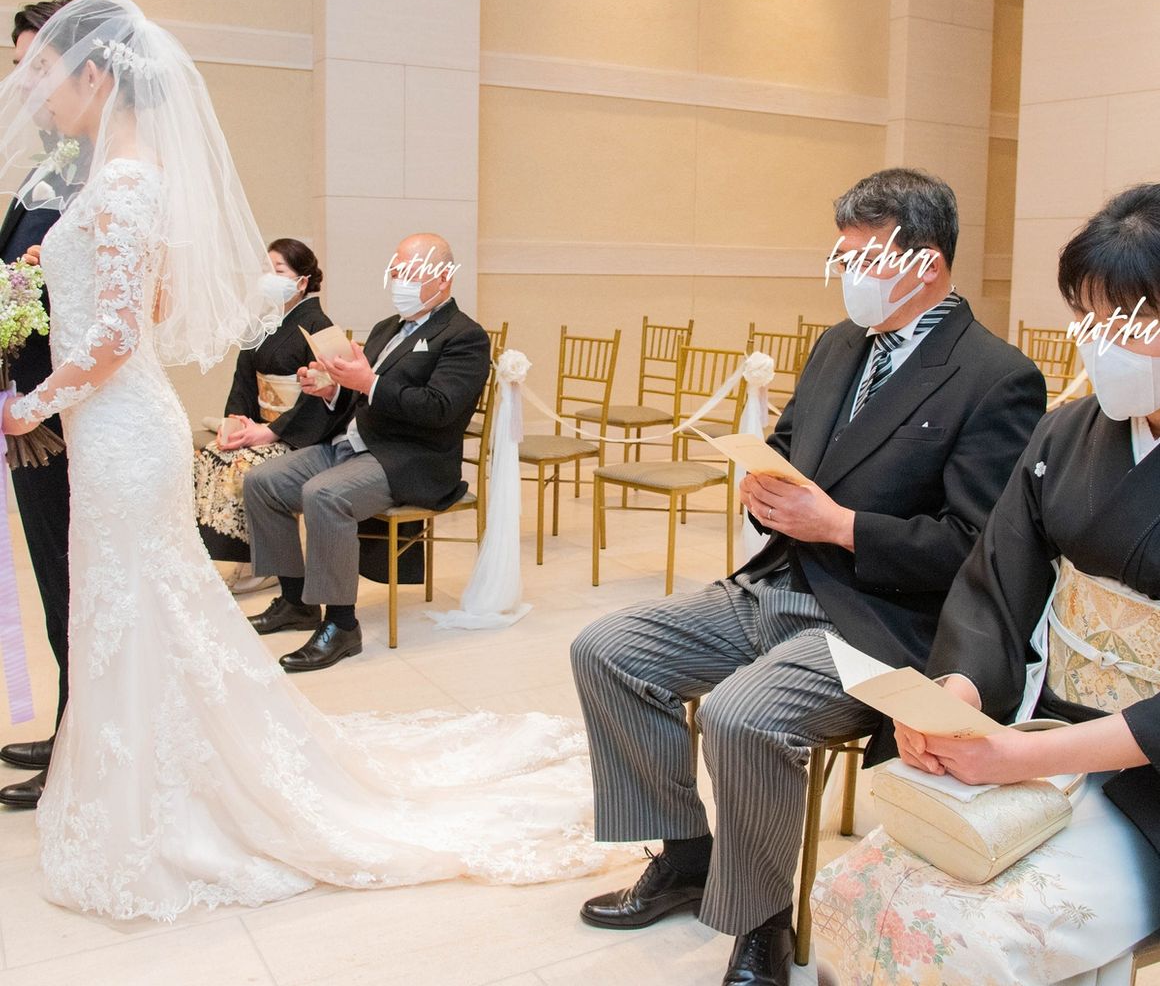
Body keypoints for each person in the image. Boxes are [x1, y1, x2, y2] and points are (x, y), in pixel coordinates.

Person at [0, 0, 605, 921]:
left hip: (116, 427)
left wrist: (29, 404)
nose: (34, 93)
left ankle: (170, 787)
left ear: (93, 75)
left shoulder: (120, 182)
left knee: (136, 602)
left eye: (44, 74)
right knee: (135, 605)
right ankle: (142, 776)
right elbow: (155, 307)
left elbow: (121, 332)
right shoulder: (131, 176)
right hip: (118, 423)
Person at [570, 168, 1046, 986]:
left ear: (927, 264)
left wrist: (842, 526)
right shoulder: (838, 344)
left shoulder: (995, 376)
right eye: (842, 256)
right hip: (777, 582)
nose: (847, 273)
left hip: (877, 620)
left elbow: (977, 547)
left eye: (863, 257)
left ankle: (761, 919)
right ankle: (686, 857)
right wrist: (766, 485)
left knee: (741, 715)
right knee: (607, 647)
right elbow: (793, 448)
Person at [811, 185, 1160, 986]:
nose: (1102, 345)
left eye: (1130, 323)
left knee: (971, 938)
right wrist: (959, 697)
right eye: (1090, 318)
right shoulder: (1069, 433)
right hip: (1049, 736)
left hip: (1145, 778)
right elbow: (997, 583)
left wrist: (1019, 756)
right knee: (858, 893)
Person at [242, 231, 490, 672]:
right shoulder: (385, 328)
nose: (400, 281)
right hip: (353, 444)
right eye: (396, 271)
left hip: (409, 457)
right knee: (263, 482)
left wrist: (370, 382)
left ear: (443, 278)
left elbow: (440, 408)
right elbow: (357, 395)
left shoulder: (464, 336)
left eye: (411, 272)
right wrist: (330, 389)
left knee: (324, 495)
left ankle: (341, 625)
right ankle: (297, 601)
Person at [0, 0, 74, 810]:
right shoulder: (47, 168)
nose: (22, 83)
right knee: (59, 582)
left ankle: (80, 741)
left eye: (36, 66)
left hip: (63, 417)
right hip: (32, 408)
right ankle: (71, 724)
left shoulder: (93, 175)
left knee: (73, 584)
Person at [194, 237, 332, 582]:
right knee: (211, 455)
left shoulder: (319, 327)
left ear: (302, 282)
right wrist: (235, 422)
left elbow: (319, 397)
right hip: (259, 425)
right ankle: (237, 557)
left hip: (297, 433)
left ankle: (267, 565)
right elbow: (244, 381)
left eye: (278, 271)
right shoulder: (262, 324)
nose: (269, 278)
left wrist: (271, 431)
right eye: (266, 270)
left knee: (242, 465)